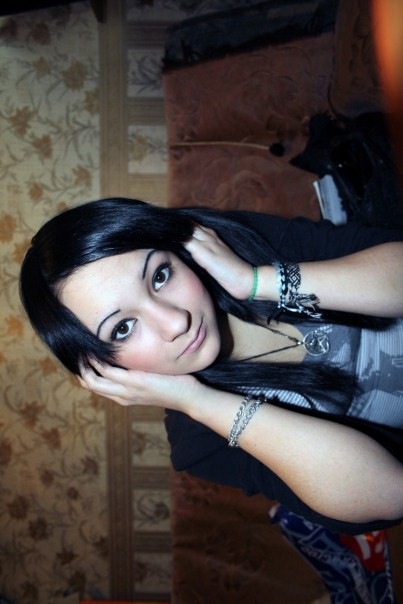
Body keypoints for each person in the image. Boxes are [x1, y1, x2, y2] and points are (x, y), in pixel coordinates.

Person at [19, 197, 403, 598]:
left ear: (181, 253)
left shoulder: (236, 246)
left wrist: (256, 281)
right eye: (123, 328)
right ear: (105, 369)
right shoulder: (200, 442)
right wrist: (201, 402)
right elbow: (389, 493)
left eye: (160, 276)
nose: (175, 321)